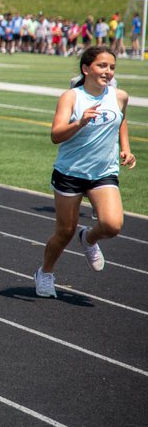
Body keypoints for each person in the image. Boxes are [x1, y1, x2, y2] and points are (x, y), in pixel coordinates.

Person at [34, 46, 135, 298]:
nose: (108, 72)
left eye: (111, 67)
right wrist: (80, 122)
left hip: (103, 172)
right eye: (102, 66)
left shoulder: (119, 96)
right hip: (70, 172)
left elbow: (121, 119)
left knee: (112, 225)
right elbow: (56, 135)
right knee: (65, 232)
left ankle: (89, 239)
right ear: (86, 69)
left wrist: (126, 148)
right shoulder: (71, 97)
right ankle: (45, 272)